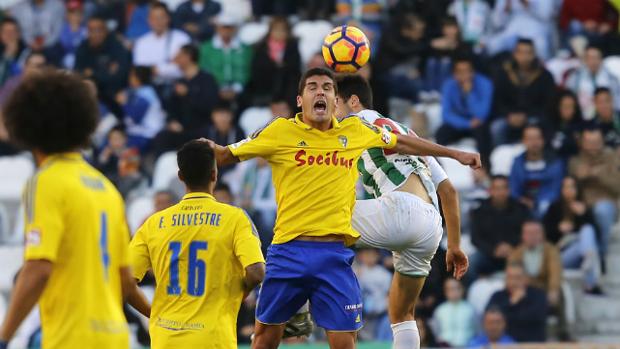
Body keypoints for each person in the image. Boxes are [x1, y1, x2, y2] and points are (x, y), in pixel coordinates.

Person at [208, 67, 480, 349]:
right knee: (264, 340)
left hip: (333, 254)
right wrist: (203, 150)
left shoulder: (356, 129)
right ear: (300, 100)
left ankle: (299, 310)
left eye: (327, 87)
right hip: (288, 250)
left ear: (336, 100)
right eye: (312, 87)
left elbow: (400, 141)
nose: (320, 92)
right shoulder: (280, 131)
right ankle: (298, 310)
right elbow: (226, 154)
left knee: (345, 345)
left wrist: (455, 153)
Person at [332, 74, 470, 349]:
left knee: (312, 220)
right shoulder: (411, 134)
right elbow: (449, 192)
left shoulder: (355, 121)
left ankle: (300, 308)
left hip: (399, 209)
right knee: (402, 314)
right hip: (431, 226)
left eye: (335, 103)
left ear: (354, 101)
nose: (333, 112)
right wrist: (453, 245)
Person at [0, 69, 132, 348]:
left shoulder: (45, 181)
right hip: (116, 337)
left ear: (26, 123)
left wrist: (3, 336)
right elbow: (125, 280)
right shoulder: (107, 188)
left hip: (72, 336)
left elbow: (39, 268)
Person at [127, 139, 265, 348]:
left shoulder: (153, 223)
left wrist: (153, 313)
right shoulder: (235, 218)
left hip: (166, 338)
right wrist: (238, 294)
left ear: (181, 177)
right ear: (214, 175)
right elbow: (256, 273)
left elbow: (125, 282)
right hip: (214, 338)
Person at [152, 44, 219, 156]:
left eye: (179, 56)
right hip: (181, 129)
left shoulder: (207, 79)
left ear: (188, 57)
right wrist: (171, 121)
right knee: (161, 137)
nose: (175, 59)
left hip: (202, 128)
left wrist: (188, 94)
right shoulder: (179, 81)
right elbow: (171, 108)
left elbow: (209, 105)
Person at [544, 176, 602, 293]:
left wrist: (583, 215)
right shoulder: (554, 208)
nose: (568, 190)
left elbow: (597, 235)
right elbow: (545, 236)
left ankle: (589, 260)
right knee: (586, 247)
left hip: (581, 254)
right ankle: (591, 282)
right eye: (565, 187)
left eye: (572, 187)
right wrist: (558, 229)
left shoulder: (585, 208)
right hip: (561, 255)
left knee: (587, 229)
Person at [568, 128, 620, 257]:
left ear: (602, 142)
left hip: (607, 204)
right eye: (589, 142)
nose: (593, 146)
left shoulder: (612, 159)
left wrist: (597, 175)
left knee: (602, 210)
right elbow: (569, 187)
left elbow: (617, 186)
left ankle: (602, 254)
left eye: (596, 142)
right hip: (583, 206)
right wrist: (580, 177)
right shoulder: (575, 161)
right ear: (582, 143)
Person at [470, 175, 530, 280]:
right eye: (497, 189)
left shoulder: (521, 209)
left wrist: (512, 247)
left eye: (504, 188)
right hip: (488, 254)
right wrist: (493, 250)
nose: (501, 192)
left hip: (516, 252)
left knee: (532, 260)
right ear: (490, 191)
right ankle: (470, 293)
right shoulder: (479, 211)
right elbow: (475, 238)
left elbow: (528, 233)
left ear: (509, 190)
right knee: (471, 263)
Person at [436, 56, 492, 158]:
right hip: (460, 122)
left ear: (473, 72)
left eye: (466, 71)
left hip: (478, 124)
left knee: (483, 132)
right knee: (441, 132)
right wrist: (467, 124)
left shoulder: (485, 84)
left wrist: (469, 93)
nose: (463, 75)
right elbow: (446, 114)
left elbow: (482, 114)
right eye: (459, 71)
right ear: (454, 73)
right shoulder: (449, 85)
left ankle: (484, 166)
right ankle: (440, 166)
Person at [74, 15, 132, 113]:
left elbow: (120, 76)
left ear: (106, 31)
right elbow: (78, 73)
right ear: (87, 32)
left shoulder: (116, 46)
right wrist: (105, 72)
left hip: (114, 94)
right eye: (92, 30)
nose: (96, 34)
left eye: (99, 30)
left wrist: (93, 73)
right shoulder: (82, 47)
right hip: (91, 95)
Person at [509, 124, 565, 217]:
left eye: (537, 138)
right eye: (529, 139)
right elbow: (514, 190)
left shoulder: (555, 162)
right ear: (523, 141)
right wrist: (523, 201)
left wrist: (537, 203)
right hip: (523, 207)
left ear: (543, 140)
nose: (534, 142)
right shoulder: (517, 162)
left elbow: (556, 190)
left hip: (549, 207)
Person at [492, 38, 556, 120]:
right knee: (496, 127)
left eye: (528, 53)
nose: (525, 57)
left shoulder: (544, 76)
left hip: (534, 117)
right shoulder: (503, 73)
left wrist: (527, 116)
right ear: (514, 54)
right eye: (521, 53)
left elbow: (548, 103)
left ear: (534, 54)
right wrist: (508, 115)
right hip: (508, 117)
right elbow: (498, 101)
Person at [486, 263, 548, 342]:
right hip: (503, 344)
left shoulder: (538, 295)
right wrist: (512, 303)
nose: (513, 282)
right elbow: (489, 317)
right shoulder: (497, 296)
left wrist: (509, 315)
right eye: (510, 277)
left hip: (532, 343)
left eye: (517, 278)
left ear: (526, 279)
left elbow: (536, 317)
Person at [133, 1, 191, 83]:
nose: (158, 21)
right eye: (154, 18)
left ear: (168, 18)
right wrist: (169, 66)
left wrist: (157, 69)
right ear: (148, 20)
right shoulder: (141, 42)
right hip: (150, 87)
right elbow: (140, 70)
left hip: (177, 85)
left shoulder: (181, 38)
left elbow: (184, 67)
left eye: (161, 17)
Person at [199, 12, 252, 102]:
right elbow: (204, 70)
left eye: (230, 27)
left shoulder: (245, 49)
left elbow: (247, 70)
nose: (226, 30)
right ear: (217, 28)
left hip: (241, 92)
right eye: (223, 27)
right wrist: (219, 88)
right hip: (213, 92)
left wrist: (237, 88)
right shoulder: (206, 48)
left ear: (235, 29)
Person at [508, 220, 563, 307]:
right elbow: (510, 275)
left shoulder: (551, 251)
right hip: (523, 290)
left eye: (536, 233)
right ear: (523, 235)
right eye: (528, 233)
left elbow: (555, 272)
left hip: (544, 291)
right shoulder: (516, 253)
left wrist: (553, 289)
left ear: (542, 235)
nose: (532, 236)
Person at [116, 66, 166, 152]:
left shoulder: (146, 94)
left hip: (147, 135)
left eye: (131, 76)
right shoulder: (137, 91)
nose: (129, 78)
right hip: (138, 133)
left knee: (118, 147)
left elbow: (135, 118)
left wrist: (124, 103)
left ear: (138, 78)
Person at [565, 45, 620, 119]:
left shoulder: (611, 79)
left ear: (601, 59)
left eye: (596, 58)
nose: (593, 61)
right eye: (590, 58)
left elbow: (617, 102)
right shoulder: (575, 78)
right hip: (582, 119)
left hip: (607, 120)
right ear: (584, 60)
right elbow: (569, 100)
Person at [432, 278, 476, 347]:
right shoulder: (439, 310)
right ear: (445, 292)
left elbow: (476, 330)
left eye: (457, 288)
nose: (454, 292)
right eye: (450, 289)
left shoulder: (470, 309)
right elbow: (435, 332)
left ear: (462, 289)